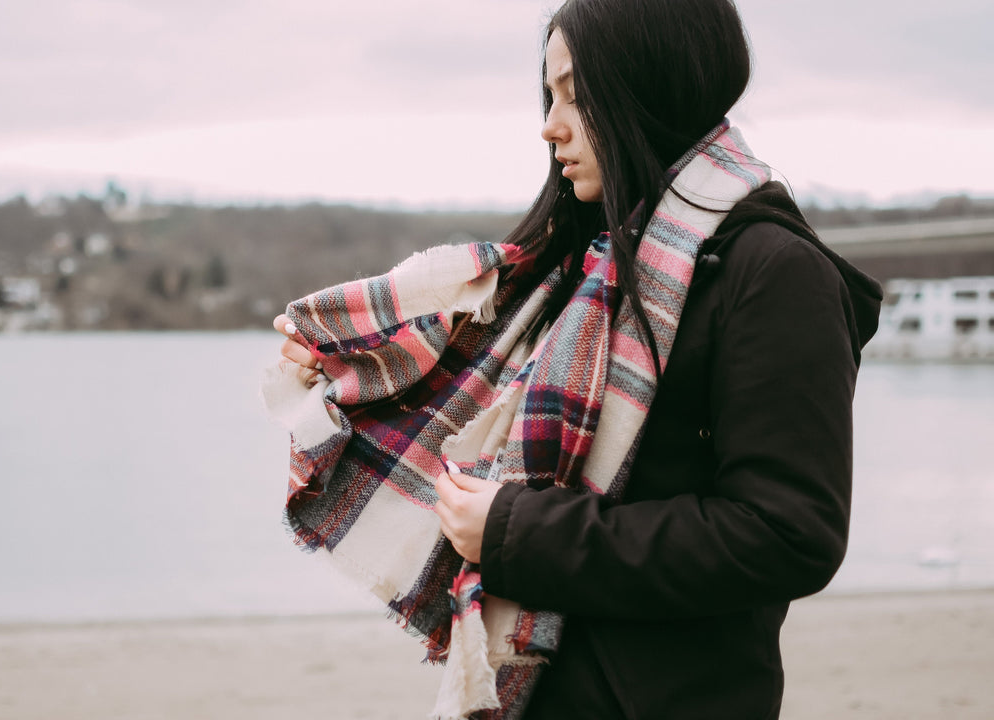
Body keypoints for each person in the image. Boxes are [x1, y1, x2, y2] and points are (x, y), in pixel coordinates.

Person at [272, 1, 882, 718]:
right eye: (549, 93)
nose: (550, 124)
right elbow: (473, 386)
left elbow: (787, 534)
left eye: (576, 94)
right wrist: (356, 366)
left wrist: (517, 533)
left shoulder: (773, 272)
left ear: (650, 85)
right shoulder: (588, 265)